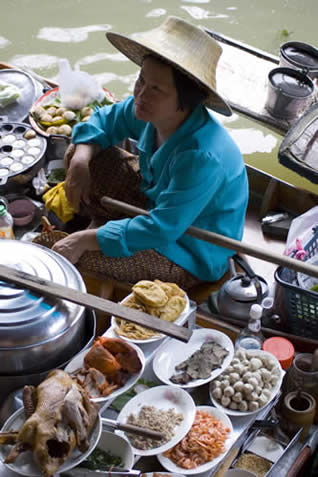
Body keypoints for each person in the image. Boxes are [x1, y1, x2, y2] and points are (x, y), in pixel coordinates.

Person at [52, 16, 249, 291]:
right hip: (153, 203)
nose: (141, 94)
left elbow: (161, 228)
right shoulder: (147, 109)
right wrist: (82, 160)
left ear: (186, 101)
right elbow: (104, 121)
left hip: (186, 247)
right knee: (78, 152)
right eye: (141, 80)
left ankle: (105, 232)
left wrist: (84, 240)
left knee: (82, 258)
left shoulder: (201, 157)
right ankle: (109, 228)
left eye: (156, 89)